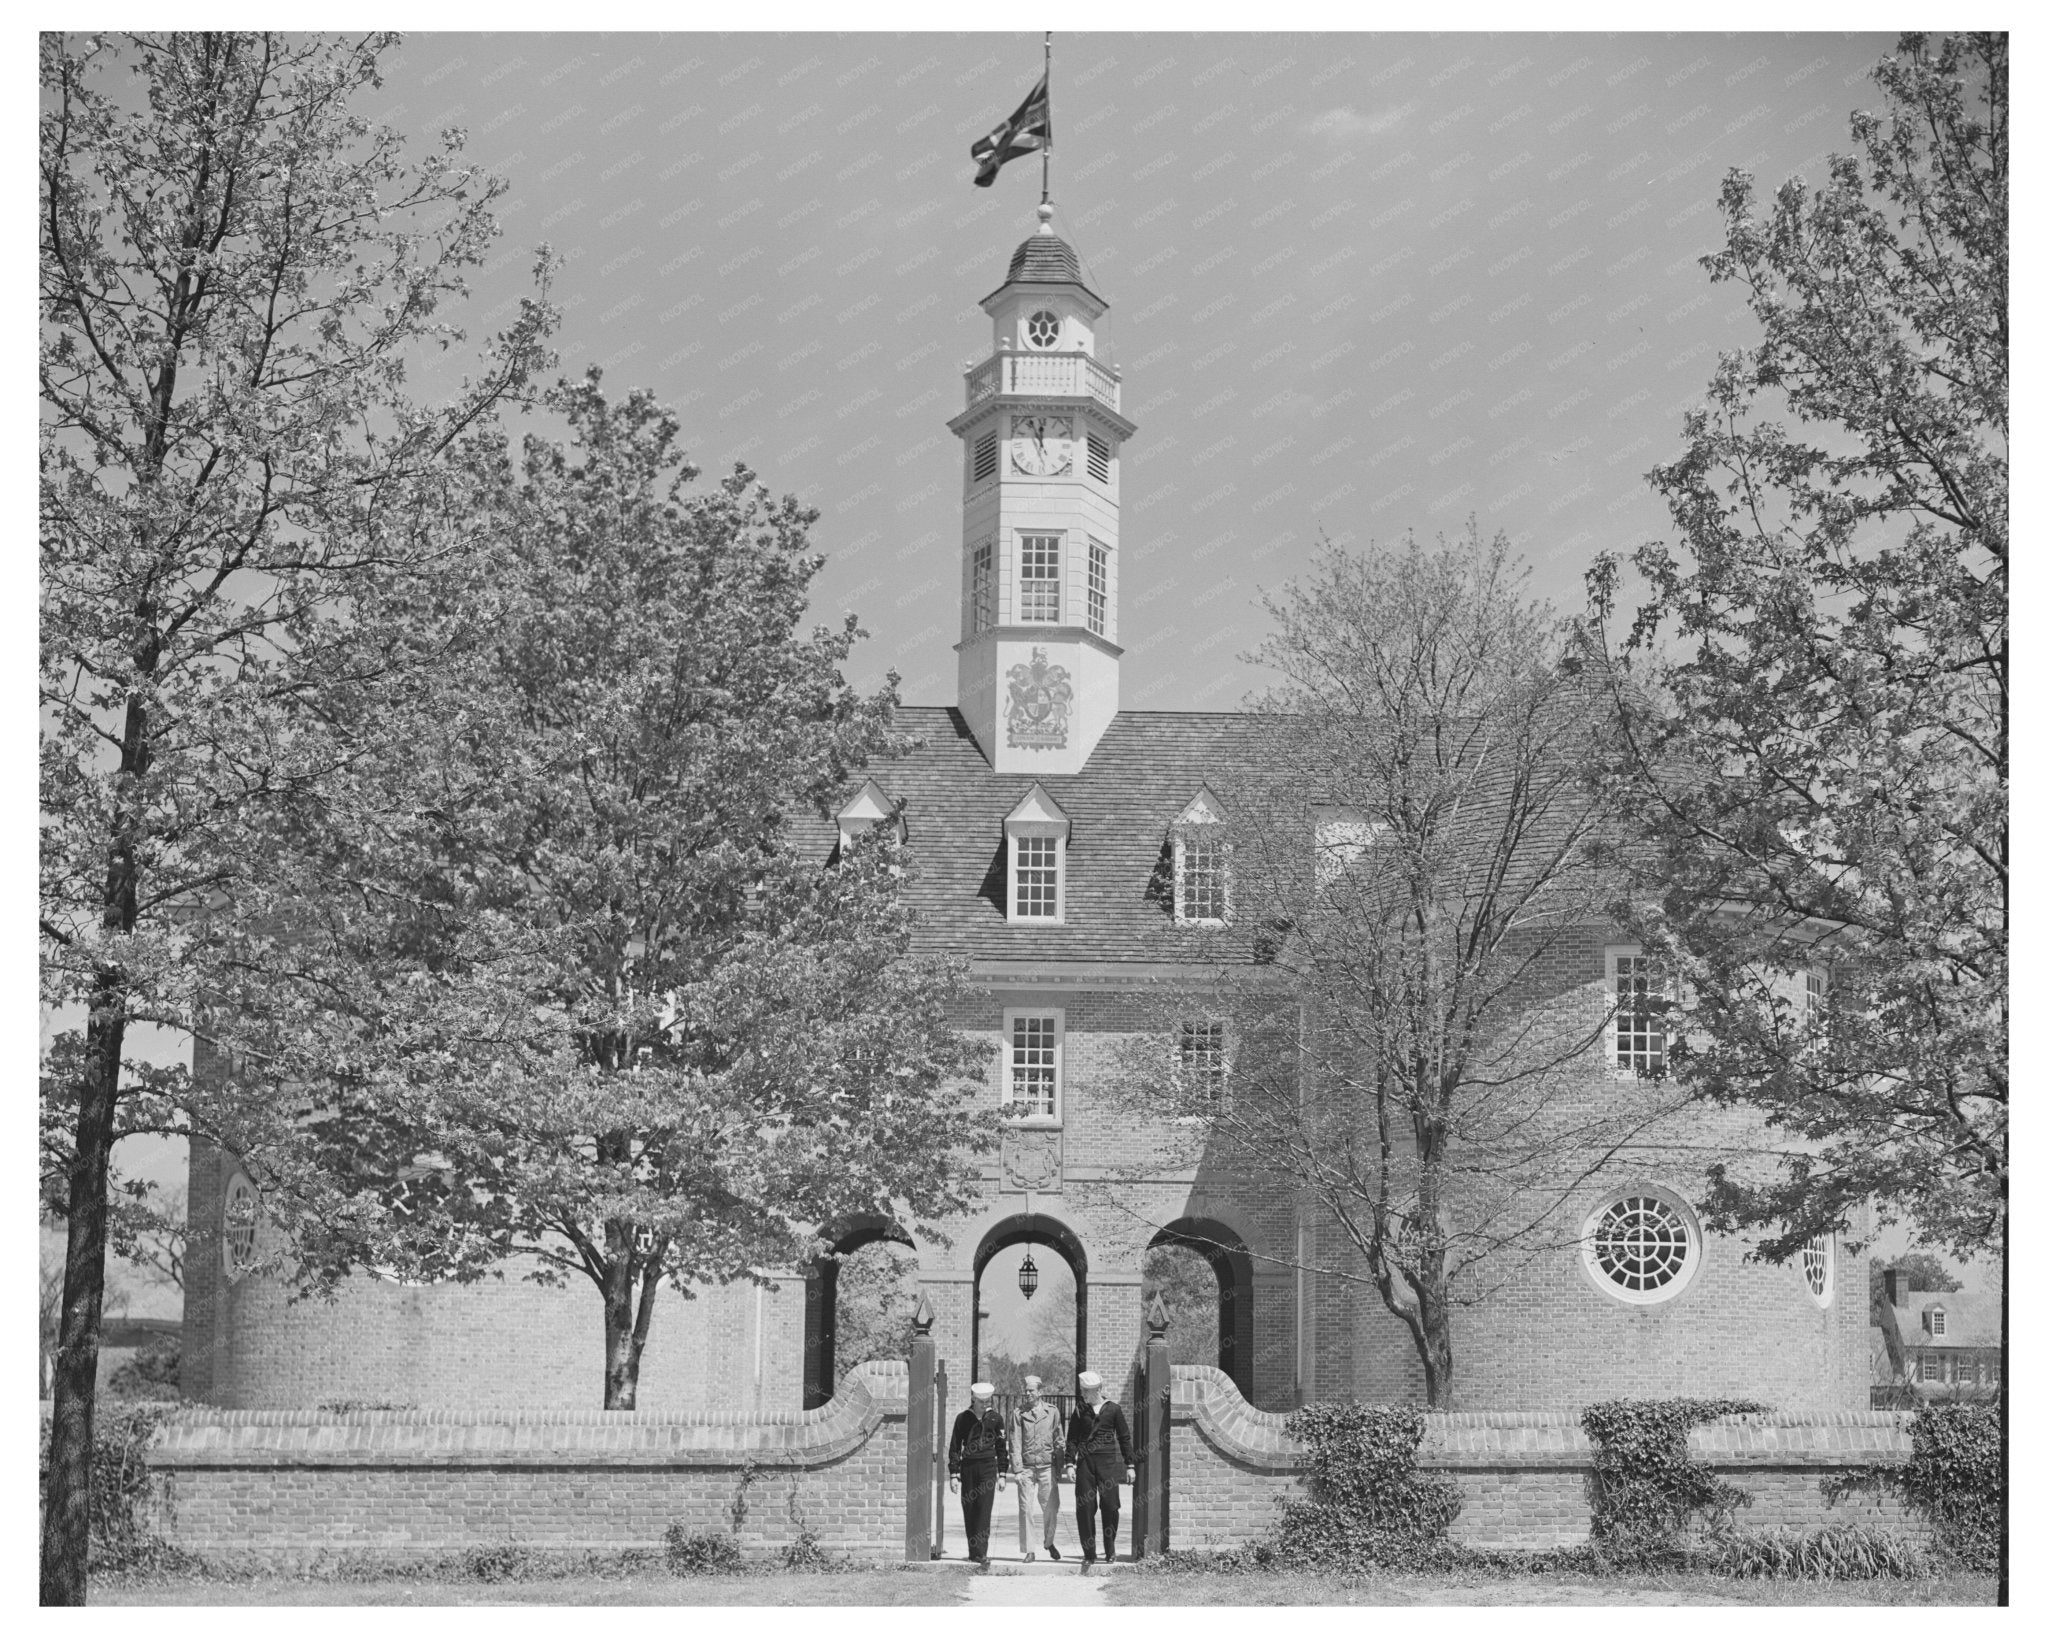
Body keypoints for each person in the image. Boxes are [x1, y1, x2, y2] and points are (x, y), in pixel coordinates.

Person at [1063, 1368, 1135, 1570]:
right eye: (1083, 1391)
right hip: (1085, 1463)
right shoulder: (1079, 1410)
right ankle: (1089, 1553)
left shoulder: (1113, 1409)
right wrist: (1070, 1463)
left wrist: (1130, 1465)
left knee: (1111, 1506)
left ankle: (1110, 1548)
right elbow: (1072, 1439)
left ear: (1097, 1390)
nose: (1083, 1394)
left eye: (1087, 1391)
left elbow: (1124, 1438)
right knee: (1085, 1508)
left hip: (1108, 1464)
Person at [947, 1380, 1010, 1567]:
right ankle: (972, 1552)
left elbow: (1001, 1448)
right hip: (968, 1467)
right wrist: (954, 1474)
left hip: (988, 1466)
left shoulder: (996, 1419)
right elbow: (955, 1447)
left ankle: (982, 1554)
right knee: (970, 1508)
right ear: (973, 1399)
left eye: (987, 1401)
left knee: (984, 1509)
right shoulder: (962, 1418)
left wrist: (1003, 1474)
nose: (985, 1405)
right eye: (981, 1401)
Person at [1011, 1374, 1065, 1562]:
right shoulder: (1019, 1413)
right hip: (1026, 1468)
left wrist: (1059, 1469)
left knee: (1050, 1507)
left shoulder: (1052, 1412)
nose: (1027, 1394)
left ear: (1040, 1392)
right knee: (1025, 1508)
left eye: (1031, 1390)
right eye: (1026, 1390)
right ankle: (1029, 1550)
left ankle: (1049, 1542)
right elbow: (1015, 1442)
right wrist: (1017, 1470)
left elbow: (1059, 1440)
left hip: (1047, 1467)